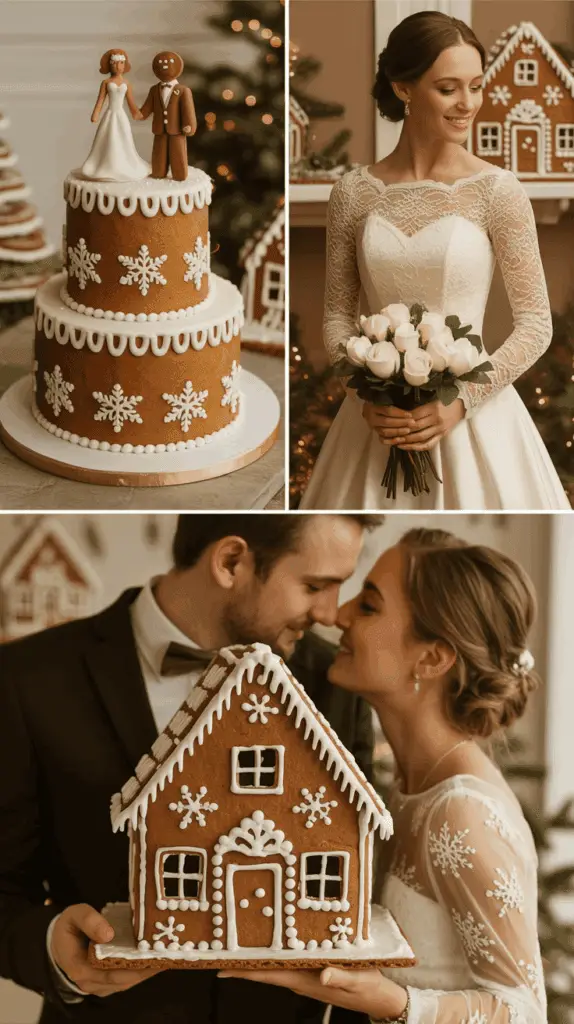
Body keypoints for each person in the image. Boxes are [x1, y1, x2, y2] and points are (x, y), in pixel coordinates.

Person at [0, 513, 379, 1024]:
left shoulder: (334, 681)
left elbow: (356, 881)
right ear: (231, 562)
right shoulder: (27, 679)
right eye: (314, 586)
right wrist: (52, 950)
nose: (331, 614)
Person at [221, 528, 546, 1023]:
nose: (339, 615)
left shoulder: (462, 813)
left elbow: (525, 1012)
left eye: (369, 606)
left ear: (431, 658)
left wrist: (396, 1003)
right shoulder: (409, 784)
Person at [300, 11, 570, 511]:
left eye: (476, 86)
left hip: (475, 421)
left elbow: (536, 324)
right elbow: (337, 316)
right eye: (449, 88)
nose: (469, 103)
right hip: (376, 422)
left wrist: (461, 401)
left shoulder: (497, 191)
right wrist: (366, 397)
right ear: (403, 88)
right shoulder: (353, 193)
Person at [81, 49, 150, 182]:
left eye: (121, 63)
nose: (118, 66)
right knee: (107, 138)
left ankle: (123, 165)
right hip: (110, 115)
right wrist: (96, 114)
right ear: (109, 65)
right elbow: (100, 100)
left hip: (121, 116)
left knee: (123, 138)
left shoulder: (127, 83)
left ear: (125, 65)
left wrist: (136, 113)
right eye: (115, 63)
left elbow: (130, 101)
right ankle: (105, 165)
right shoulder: (106, 83)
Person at [139, 51, 197, 181]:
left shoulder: (183, 90)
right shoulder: (154, 90)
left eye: (169, 62)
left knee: (178, 154)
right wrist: (138, 113)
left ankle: (179, 174)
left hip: (177, 130)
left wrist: (189, 125)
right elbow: (146, 108)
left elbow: (188, 110)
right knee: (159, 154)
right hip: (159, 130)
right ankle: (158, 172)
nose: (164, 65)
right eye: (160, 63)